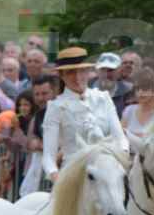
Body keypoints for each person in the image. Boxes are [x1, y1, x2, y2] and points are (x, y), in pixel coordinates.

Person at [39, 47, 126, 182]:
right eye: (70, 73)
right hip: (73, 177)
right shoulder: (56, 107)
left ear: (88, 72)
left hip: (108, 173)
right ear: (62, 75)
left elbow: (120, 138)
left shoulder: (103, 98)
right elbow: (48, 157)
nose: (77, 77)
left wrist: (122, 159)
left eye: (81, 71)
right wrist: (56, 177)